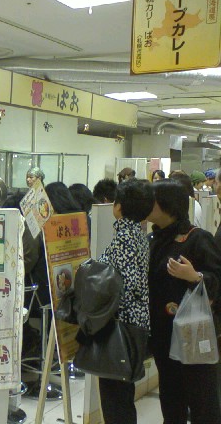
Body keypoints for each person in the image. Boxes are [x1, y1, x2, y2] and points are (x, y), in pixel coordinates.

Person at [147, 179, 221, 424]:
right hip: (163, 334)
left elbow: (216, 279)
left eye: (152, 201)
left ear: (168, 206)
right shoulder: (153, 239)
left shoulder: (198, 239)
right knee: (171, 398)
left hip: (195, 335)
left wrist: (195, 277)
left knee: (202, 400)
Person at [95, 179, 155, 424]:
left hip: (119, 329)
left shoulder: (124, 238)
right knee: (123, 394)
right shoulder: (139, 235)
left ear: (118, 206)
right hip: (134, 325)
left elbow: (125, 287)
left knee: (115, 398)